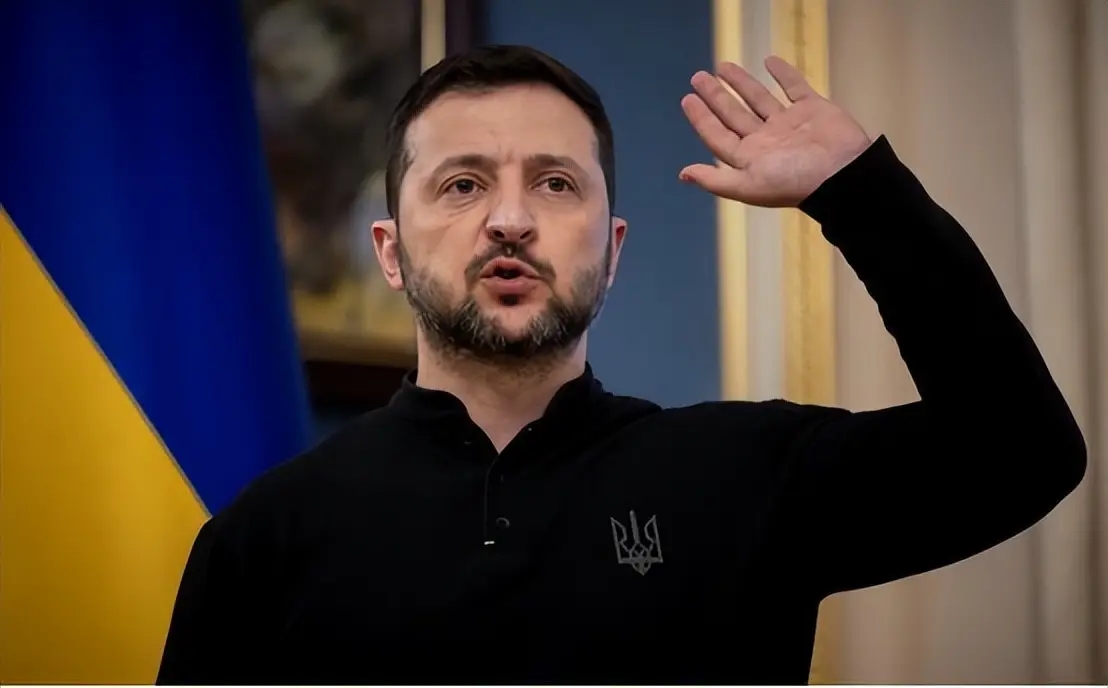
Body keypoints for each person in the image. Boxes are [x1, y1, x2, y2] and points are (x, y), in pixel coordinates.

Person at [157, 45, 1086, 685]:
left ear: (613, 249)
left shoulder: (747, 477)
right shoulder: (261, 542)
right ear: (390, 253)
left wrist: (863, 194)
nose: (510, 219)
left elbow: (1022, 452)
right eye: (463, 184)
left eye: (556, 183)